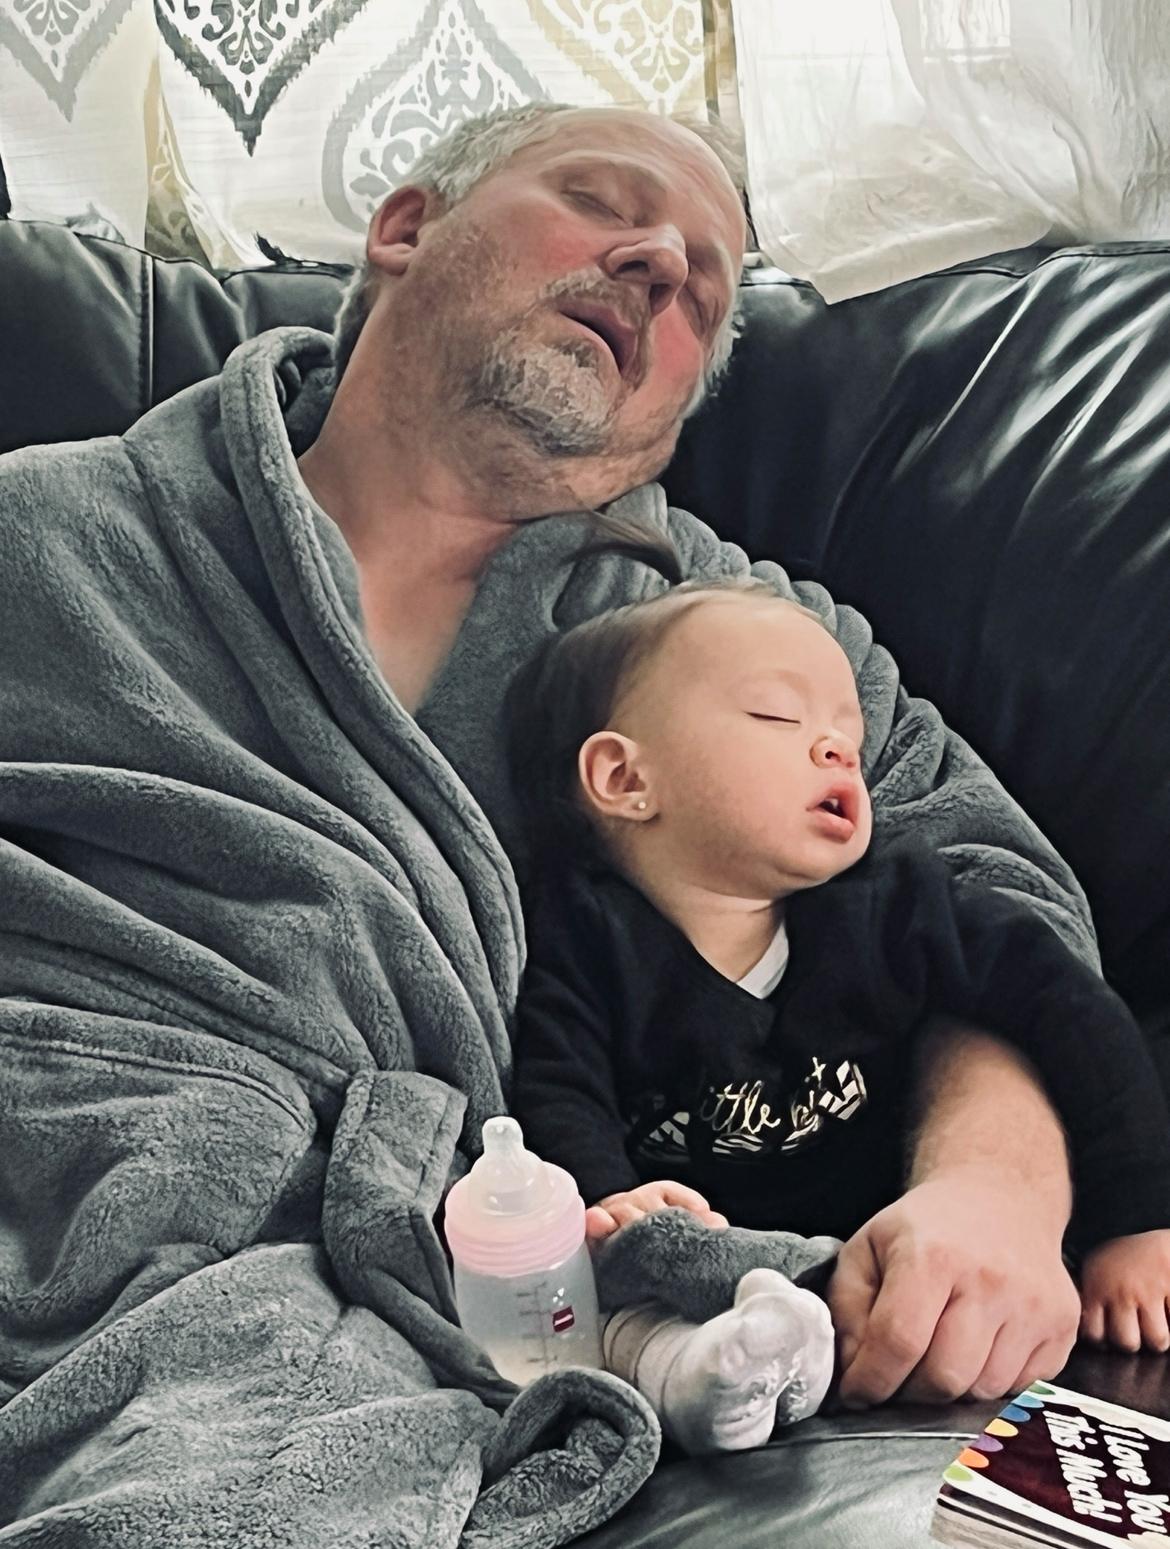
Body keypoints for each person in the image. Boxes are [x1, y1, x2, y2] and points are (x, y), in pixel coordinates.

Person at [0, 100, 1110, 1421]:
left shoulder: (740, 639)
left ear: (676, 409)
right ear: (407, 228)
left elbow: (987, 883)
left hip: (465, 1297)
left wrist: (995, 1186)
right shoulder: (49, 530)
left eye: (706, 289)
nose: (659, 263)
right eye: (599, 201)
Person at [502, 547, 1170, 1452]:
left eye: (847, 734)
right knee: (636, 1316)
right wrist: (610, 1199)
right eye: (778, 715)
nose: (835, 748)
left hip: (891, 1265)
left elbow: (1069, 1007)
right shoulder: (585, 941)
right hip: (721, 1275)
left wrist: (1137, 1216)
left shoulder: (899, 907)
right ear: (625, 778)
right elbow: (557, 1086)